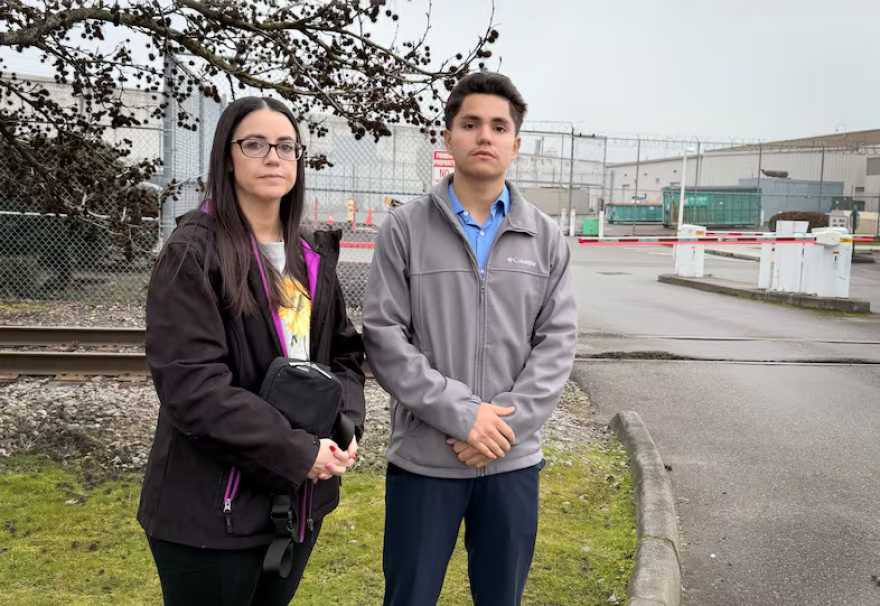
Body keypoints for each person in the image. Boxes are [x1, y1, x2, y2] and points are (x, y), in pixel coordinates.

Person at [139, 96, 366, 606]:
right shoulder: (193, 253)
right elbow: (194, 388)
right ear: (227, 157)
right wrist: (298, 452)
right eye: (256, 144)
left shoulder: (309, 255)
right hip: (213, 510)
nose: (273, 158)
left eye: (286, 147)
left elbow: (344, 355)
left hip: (296, 502)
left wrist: (344, 426)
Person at [363, 72, 578, 606]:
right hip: (425, 461)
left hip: (511, 462)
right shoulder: (404, 229)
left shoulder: (546, 238)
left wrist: (500, 425)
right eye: (471, 123)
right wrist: (464, 416)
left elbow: (556, 344)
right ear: (448, 136)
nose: (485, 135)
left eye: (498, 126)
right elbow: (385, 336)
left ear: (516, 144)